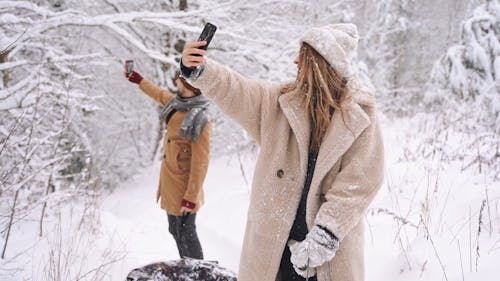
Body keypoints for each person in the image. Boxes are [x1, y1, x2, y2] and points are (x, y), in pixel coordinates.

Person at [180, 23, 384, 281]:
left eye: (303, 56)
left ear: (319, 65)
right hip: (275, 253)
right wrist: (199, 70)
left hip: (329, 257)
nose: (295, 60)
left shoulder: (359, 116)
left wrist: (325, 234)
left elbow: (361, 181)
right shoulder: (278, 104)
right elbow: (237, 90)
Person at [124, 67, 211, 260]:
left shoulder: (200, 119)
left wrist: (191, 196)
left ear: (189, 86)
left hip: (185, 186)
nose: (176, 81)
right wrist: (138, 79)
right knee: (175, 229)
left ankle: (198, 270)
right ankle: (186, 266)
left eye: (180, 79)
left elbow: (201, 162)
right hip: (171, 181)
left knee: (187, 231)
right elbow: (159, 93)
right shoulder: (177, 103)